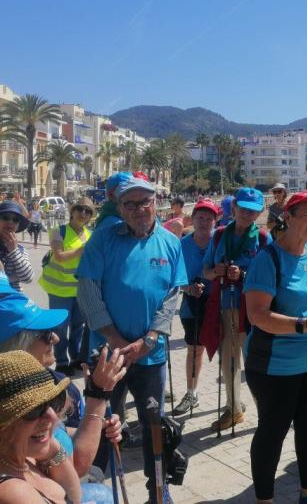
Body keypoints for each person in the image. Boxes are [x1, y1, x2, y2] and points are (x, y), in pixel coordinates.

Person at [76, 176, 187, 504]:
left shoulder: (170, 241)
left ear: (156, 203)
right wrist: (114, 337)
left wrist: (150, 340)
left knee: (155, 426)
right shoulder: (103, 239)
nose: (139, 209)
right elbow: (87, 288)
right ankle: (95, 492)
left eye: (145, 202)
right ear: (119, 208)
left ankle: (158, 491)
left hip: (149, 356)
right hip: (107, 356)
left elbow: (172, 293)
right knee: (101, 423)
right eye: (130, 204)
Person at [0, 273, 125, 504]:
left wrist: (99, 423)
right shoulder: (14, 491)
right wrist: (97, 399)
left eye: (54, 403)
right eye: (45, 335)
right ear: (16, 349)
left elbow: (59, 433)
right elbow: (79, 464)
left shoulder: (48, 387)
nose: (57, 339)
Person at [243, 190, 307, 504]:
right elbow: (257, 316)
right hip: (276, 365)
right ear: (289, 217)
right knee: (273, 432)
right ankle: (264, 500)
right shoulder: (267, 260)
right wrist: (305, 325)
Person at [202, 187, 271, 431]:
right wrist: (216, 272)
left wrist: (243, 274)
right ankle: (234, 409)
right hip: (225, 306)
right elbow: (206, 271)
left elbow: (271, 276)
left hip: (252, 309)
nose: (247, 214)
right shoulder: (219, 235)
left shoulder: (263, 238)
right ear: (234, 208)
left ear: (259, 213)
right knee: (228, 362)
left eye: (253, 211)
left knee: (253, 362)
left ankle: (266, 412)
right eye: (243, 209)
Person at [0, 350, 73, 504]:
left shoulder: (20, 454)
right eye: (34, 410)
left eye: (54, 402)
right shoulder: (15, 493)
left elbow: (75, 497)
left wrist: (51, 448)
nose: (53, 416)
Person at [172, 198, 220, 415]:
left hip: (218, 303)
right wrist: (187, 287)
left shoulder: (219, 241)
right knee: (194, 349)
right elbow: (174, 277)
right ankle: (192, 392)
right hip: (191, 305)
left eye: (209, 218)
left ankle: (232, 401)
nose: (204, 222)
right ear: (192, 219)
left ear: (215, 221)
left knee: (227, 350)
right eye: (200, 217)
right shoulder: (181, 245)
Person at [38, 198, 96, 376]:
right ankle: (62, 361)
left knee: (78, 326)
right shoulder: (58, 231)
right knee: (60, 329)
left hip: (81, 290)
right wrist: (82, 250)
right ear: (73, 210)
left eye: (88, 211)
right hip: (59, 290)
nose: (83, 213)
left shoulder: (90, 234)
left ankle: (76, 358)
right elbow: (60, 255)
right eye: (80, 209)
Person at [0, 200, 34, 291]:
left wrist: (14, 251)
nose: (10, 222)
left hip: (13, 300)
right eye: (5, 218)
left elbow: (28, 278)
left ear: (18, 226)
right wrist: (12, 278)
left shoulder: (20, 250)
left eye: (15, 220)